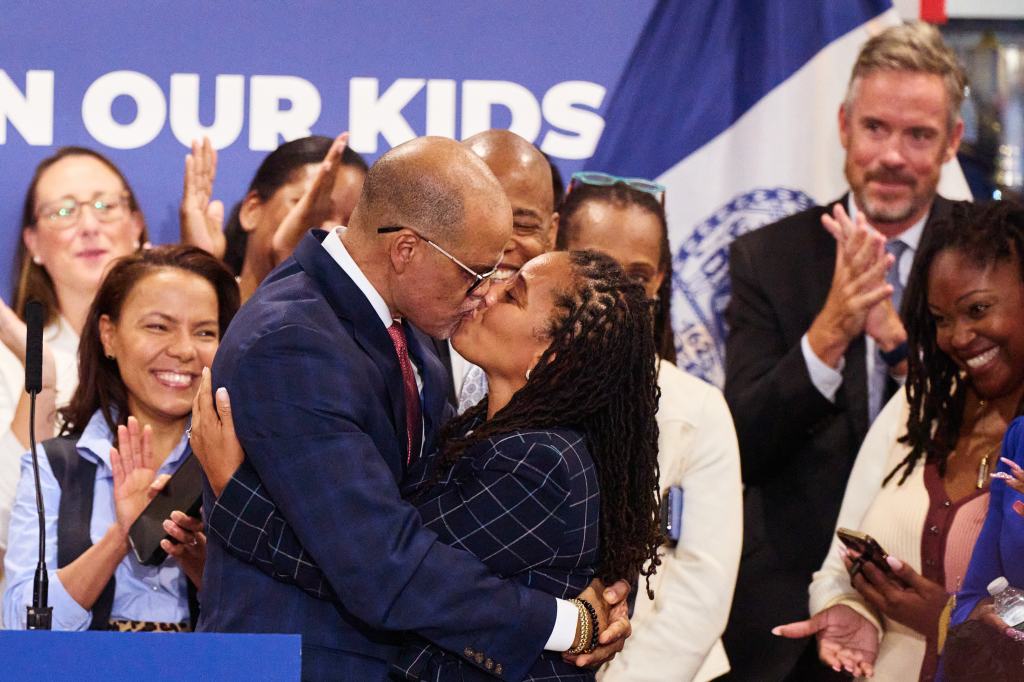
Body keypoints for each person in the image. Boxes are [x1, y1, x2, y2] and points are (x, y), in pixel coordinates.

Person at [193, 136, 633, 680]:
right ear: (406, 249)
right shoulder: (293, 340)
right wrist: (566, 624)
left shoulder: (416, 330)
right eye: (474, 273)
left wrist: (240, 500)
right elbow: (382, 566)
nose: (483, 294)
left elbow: (391, 558)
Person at [722, 22, 966, 679]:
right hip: (785, 623)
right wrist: (831, 328)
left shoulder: (990, 259)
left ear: (952, 142)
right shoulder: (766, 257)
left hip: (937, 613)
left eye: (918, 135)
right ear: (843, 125)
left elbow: (996, 425)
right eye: (876, 128)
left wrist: (893, 336)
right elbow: (742, 442)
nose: (892, 155)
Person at [774, 201, 1024, 679]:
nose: (958, 337)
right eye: (940, 318)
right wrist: (851, 608)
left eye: (977, 309)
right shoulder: (920, 403)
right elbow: (835, 566)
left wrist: (948, 618)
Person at [556, 174, 743, 682]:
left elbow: (702, 590)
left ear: (660, 281)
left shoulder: (700, 409)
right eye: (596, 267)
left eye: (637, 277)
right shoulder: (504, 386)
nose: (615, 292)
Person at [3, 245, 240, 630]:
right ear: (109, 335)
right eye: (158, 326)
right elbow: (22, 627)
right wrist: (122, 537)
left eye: (205, 332)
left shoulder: (239, 462)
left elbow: (266, 627)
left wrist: (195, 559)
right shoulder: (55, 466)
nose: (183, 350)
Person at [0, 147, 147, 595]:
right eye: (63, 211)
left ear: (137, 225)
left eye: (105, 205)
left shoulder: (178, 356)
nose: (88, 225)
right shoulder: (7, 363)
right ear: (33, 244)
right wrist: (38, 383)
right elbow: (6, 524)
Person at [432, 130, 559, 411]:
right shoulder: (399, 333)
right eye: (480, 221)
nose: (500, 246)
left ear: (552, 232)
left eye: (523, 225)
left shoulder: (575, 359)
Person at [179, 134, 367, 301]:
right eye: (312, 209)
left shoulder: (356, 332)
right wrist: (200, 273)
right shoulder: (209, 308)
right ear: (252, 210)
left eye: (350, 223)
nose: (331, 230)